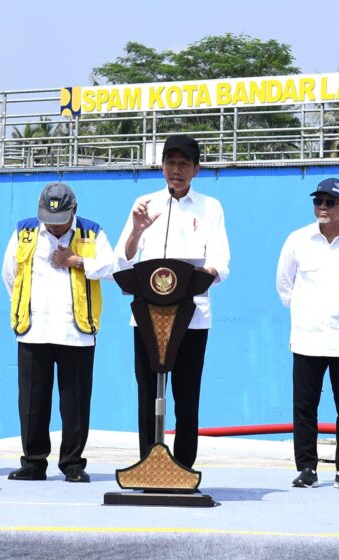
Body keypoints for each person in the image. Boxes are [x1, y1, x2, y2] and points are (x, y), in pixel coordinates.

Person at [114, 134, 230, 469]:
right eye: (169, 163)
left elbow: (221, 262)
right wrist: (136, 230)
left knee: (186, 394)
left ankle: (183, 467)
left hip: (191, 318)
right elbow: (122, 261)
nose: (175, 170)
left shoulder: (211, 208)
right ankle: (147, 466)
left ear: (196, 168)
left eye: (182, 164)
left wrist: (191, 279)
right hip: (148, 317)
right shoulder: (144, 204)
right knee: (148, 392)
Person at [1, 182, 115, 483]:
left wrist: (76, 261)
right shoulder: (25, 231)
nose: (52, 227)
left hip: (75, 329)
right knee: (31, 402)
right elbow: (10, 275)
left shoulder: (91, 232)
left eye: (60, 220)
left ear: (74, 211)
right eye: (47, 220)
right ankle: (33, 463)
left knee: (75, 403)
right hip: (33, 328)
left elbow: (111, 267)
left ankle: (73, 463)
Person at [276, 178, 339, 490]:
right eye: (318, 201)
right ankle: (306, 468)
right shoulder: (297, 241)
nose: (322, 207)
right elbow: (285, 286)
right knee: (304, 407)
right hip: (308, 337)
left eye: (330, 202)